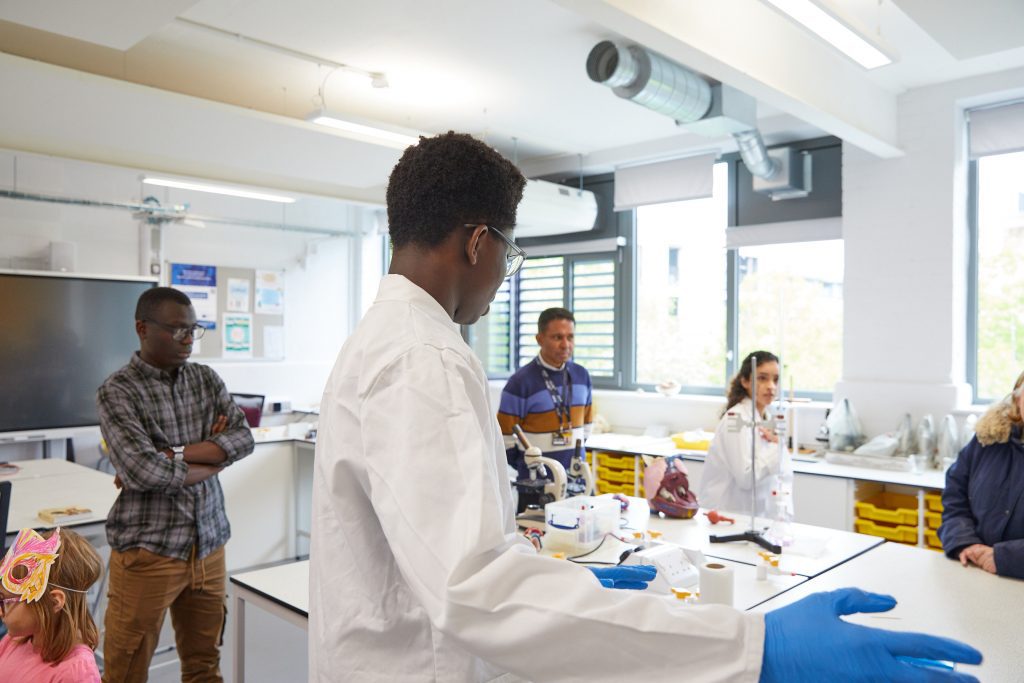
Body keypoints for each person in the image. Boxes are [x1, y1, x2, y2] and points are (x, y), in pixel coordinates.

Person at [309, 131, 981, 682]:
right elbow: (474, 588)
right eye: (509, 253)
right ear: (478, 242)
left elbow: (441, 553)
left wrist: (544, 572)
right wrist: (753, 646)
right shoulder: (423, 355)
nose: (499, 276)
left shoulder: (382, 341)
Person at [96, 286, 255, 682]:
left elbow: (243, 439)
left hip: (209, 547)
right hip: (149, 552)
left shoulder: (205, 379)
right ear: (142, 328)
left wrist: (175, 452)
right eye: (177, 330)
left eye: (193, 330)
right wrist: (213, 458)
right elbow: (143, 472)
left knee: (205, 666)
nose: (188, 339)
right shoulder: (118, 391)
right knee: (126, 670)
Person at [939, 369, 1024, 579]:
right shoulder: (989, 439)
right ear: (1017, 397)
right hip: (977, 574)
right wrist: (966, 543)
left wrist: (1004, 558)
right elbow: (954, 498)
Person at [497, 307, 593, 493]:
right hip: (536, 486)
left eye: (570, 337)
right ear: (539, 339)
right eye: (557, 337)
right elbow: (504, 439)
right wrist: (530, 464)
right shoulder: (520, 382)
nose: (565, 344)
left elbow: (587, 426)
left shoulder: (582, 376)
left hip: (577, 482)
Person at [0, 527, 102, 682]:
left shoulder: (76, 674)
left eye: (4, 601)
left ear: (54, 602)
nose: (1, 611)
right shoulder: (14, 640)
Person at [702, 351, 790, 517]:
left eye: (775, 379)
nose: (771, 386)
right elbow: (746, 478)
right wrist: (776, 448)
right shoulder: (735, 419)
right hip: (726, 514)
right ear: (745, 381)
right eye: (762, 378)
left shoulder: (766, 417)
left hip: (753, 516)